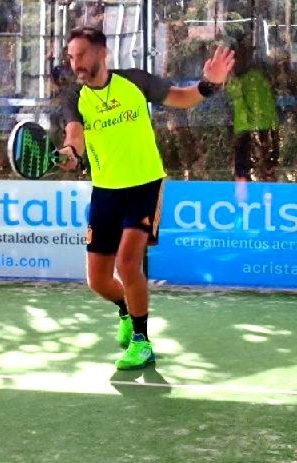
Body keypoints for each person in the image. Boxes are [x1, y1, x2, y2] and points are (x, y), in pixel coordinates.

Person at [57, 26, 234, 370]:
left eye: (81, 55)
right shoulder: (74, 97)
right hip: (105, 190)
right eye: (71, 57)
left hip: (144, 185)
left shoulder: (135, 81)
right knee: (98, 281)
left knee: (127, 263)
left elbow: (181, 98)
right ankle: (127, 309)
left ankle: (141, 341)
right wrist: (70, 152)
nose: (75, 63)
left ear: (102, 52)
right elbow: (74, 134)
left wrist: (209, 84)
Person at [225, 36, 279, 183]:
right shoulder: (244, 79)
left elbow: (266, 109)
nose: (235, 63)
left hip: (253, 133)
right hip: (250, 134)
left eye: (240, 57)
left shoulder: (253, 79)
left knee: (253, 175)